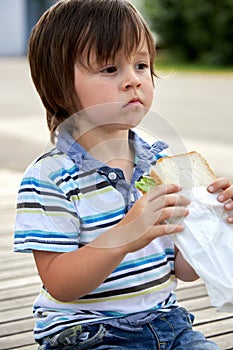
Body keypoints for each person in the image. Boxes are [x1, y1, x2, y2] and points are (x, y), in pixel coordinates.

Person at [14, 0, 233, 349]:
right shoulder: (50, 177)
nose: (133, 80)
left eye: (141, 64)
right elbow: (60, 284)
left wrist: (216, 219)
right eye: (109, 69)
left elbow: (185, 271)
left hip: (168, 323)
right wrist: (127, 233)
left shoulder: (162, 162)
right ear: (59, 87)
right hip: (87, 332)